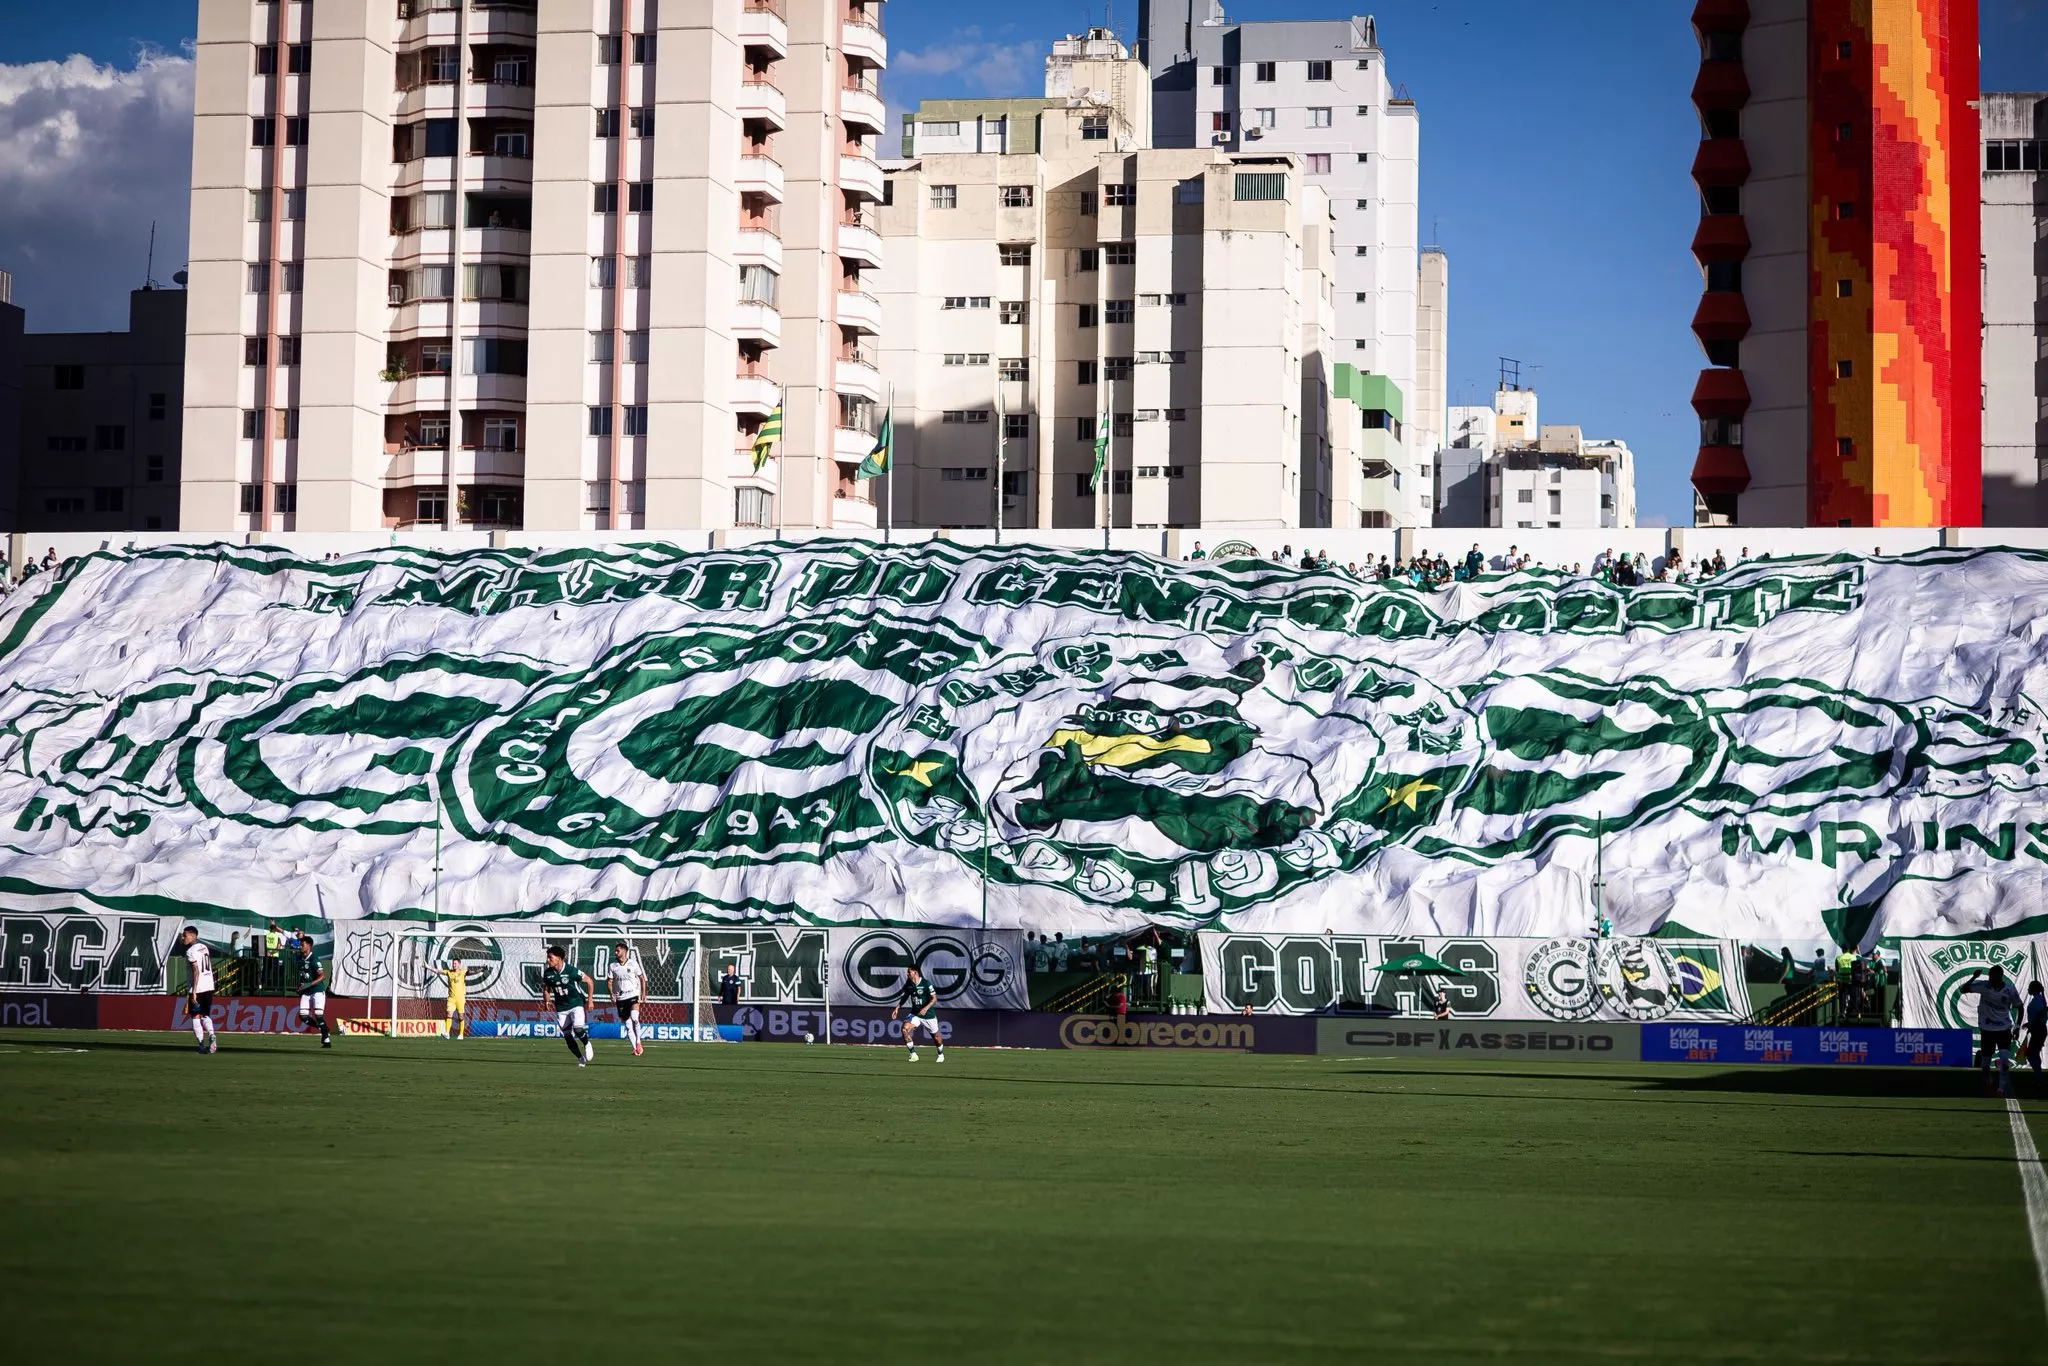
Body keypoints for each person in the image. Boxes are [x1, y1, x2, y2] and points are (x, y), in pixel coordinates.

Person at [1959, 966, 2025, 1097]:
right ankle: (1989, 1082)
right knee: (1985, 1064)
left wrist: (2017, 1027)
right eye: (1989, 976)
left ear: (2000, 976)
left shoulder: (2009, 989)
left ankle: (2001, 1089)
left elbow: (2020, 1007)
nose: (1990, 978)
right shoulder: (1984, 986)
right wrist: (1974, 977)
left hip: (2004, 1029)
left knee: (2005, 1061)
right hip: (1987, 1030)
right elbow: (1963, 989)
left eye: (1992, 976)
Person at [540, 944, 596, 1067]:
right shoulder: (548, 973)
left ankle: (587, 1044)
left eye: (550, 957)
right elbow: (546, 989)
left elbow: (589, 981)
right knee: (566, 1035)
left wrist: (590, 1000)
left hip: (576, 1003)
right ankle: (580, 1058)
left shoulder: (571, 970)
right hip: (561, 1007)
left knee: (578, 1028)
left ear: (559, 958)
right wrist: (546, 1001)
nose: (548, 960)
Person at [178, 926, 219, 1055]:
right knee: (205, 1015)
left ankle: (201, 1046)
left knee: (195, 1016)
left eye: (185, 935)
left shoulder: (190, 952)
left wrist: (194, 991)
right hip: (208, 985)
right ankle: (212, 1035)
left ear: (192, 935)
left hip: (198, 988)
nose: (183, 938)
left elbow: (196, 971)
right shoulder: (204, 947)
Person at [892, 964, 944, 1063]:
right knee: (904, 1029)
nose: (907, 974)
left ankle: (940, 1054)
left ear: (915, 972)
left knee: (936, 1038)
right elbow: (905, 996)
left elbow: (934, 999)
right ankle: (913, 1054)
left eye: (909, 972)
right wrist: (897, 1007)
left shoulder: (926, 983)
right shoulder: (909, 984)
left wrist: (925, 1008)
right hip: (915, 1013)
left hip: (928, 1014)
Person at [606, 941, 647, 1057]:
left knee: (635, 1018)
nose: (615, 952)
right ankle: (635, 1049)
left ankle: (638, 1041)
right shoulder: (612, 966)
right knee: (628, 1025)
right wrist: (611, 993)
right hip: (621, 997)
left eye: (617, 950)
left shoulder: (633, 964)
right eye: (615, 950)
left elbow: (642, 978)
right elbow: (609, 981)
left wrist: (643, 993)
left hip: (633, 994)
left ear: (624, 951)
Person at [292, 934, 333, 1048]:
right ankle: (323, 1028)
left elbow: (322, 976)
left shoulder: (314, 958)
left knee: (318, 1015)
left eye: (302, 944)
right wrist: (300, 986)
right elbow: (304, 976)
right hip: (306, 991)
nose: (300, 946)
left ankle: (326, 1040)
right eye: (300, 944)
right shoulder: (299, 958)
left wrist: (308, 984)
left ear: (309, 946)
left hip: (317, 990)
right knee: (303, 1016)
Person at [2023, 980, 2048, 1077]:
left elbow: (2040, 1013)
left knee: (2031, 1053)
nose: (2028, 989)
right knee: (2034, 1053)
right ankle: (2039, 1075)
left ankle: (2039, 1076)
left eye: (2029, 987)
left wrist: (2032, 1024)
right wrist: (2029, 1024)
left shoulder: (2038, 1000)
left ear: (2033, 989)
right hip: (2038, 1029)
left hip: (2038, 1029)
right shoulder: (2039, 999)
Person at [441, 958, 467, 1041]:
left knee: (461, 1016)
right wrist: (428, 967)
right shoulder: (449, 972)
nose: (453, 965)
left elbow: (472, 972)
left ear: (459, 964)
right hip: (451, 999)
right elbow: (438, 971)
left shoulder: (463, 972)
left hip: (460, 999)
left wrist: (481, 969)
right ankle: (447, 1033)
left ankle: (461, 1034)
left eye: (455, 963)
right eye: (453, 963)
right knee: (449, 1014)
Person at [715, 960, 743, 1030]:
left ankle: (733, 1027)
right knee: (725, 1013)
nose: (728, 970)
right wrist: (719, 995)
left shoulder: (736, 978)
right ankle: (725, 1026)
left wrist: (737, 997)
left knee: (733, 1013)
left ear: (733, 970)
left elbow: (739, 988)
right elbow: (722, 987)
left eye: (729, 969)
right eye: (727, 969)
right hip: (725, 999)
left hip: (733, 999)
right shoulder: (725, 978)